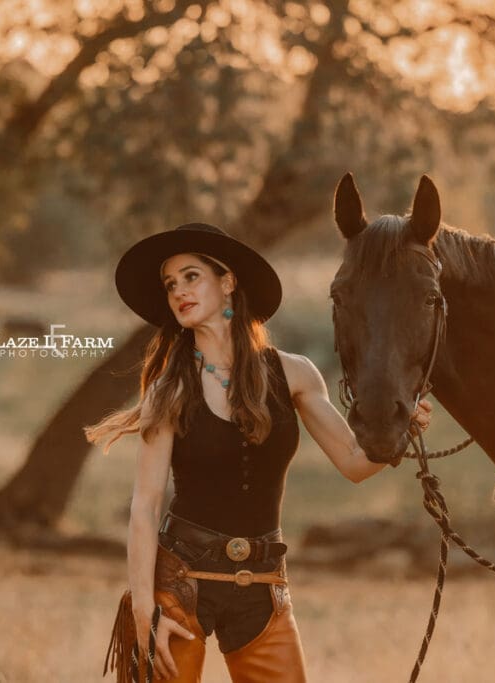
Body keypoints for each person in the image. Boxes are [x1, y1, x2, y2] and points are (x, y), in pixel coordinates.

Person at [85, 223, 433, 682]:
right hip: (180, 582)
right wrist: (144, 609)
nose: (178, 292)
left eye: (191, 277)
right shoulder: (169, 390)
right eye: (170, 284)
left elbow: (354, 462)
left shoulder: (296, 375)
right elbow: (145, 506)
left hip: (263, 583)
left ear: (227, 281)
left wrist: (401, 429)